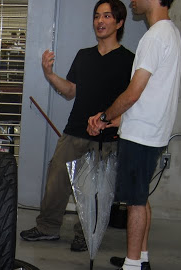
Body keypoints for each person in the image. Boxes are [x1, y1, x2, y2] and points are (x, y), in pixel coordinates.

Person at [20, 0, 134, 252]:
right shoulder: (84, 55)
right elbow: (71, 91)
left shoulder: (129, 61)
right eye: (96, 16)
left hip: (106, 136)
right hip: (74, 131)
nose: (100, 21)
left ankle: (86, 233)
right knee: (56, 178)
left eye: (106, 16)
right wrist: (49, 74)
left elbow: (131, 101)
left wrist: (109, 122)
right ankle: (47, 227)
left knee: (95, 190)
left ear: (120, 22)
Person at [87, 0, 181, 270]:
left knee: (135, 202)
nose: (132, 1)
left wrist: (105, 115)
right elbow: (152, 94)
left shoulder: (155, 36)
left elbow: (134, 91)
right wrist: (118, 120)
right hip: (148, 129)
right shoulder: (170, 32)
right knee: (141, 196)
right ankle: (140, 258)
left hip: (142, 135)